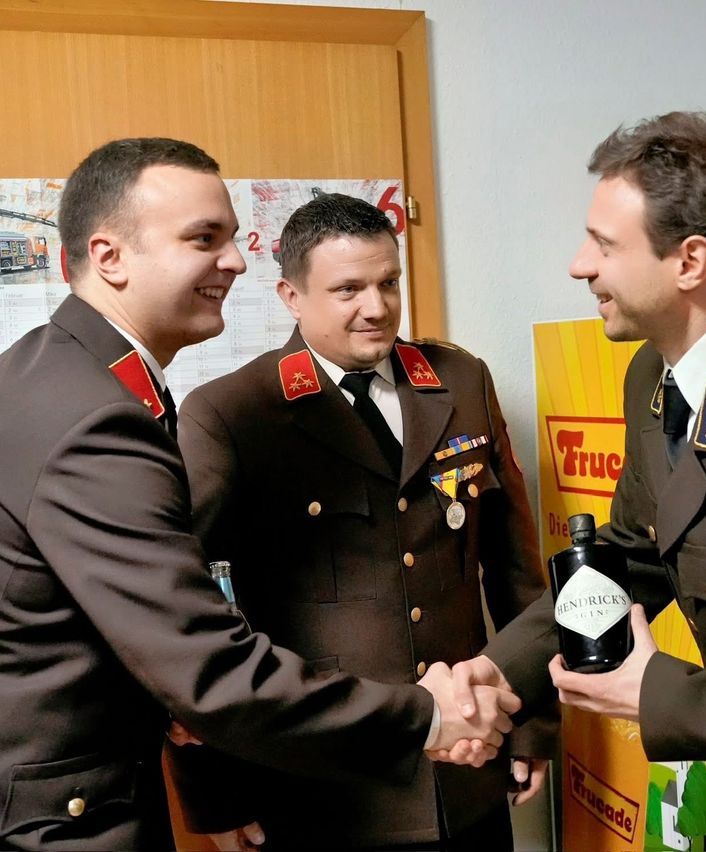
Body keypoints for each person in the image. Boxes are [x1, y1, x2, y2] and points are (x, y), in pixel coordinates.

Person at [0, 139, 519, 852]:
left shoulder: (54, 375)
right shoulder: (109, 414)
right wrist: (425, 716)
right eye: (203, 239)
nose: (236, 260)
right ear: (110, 257)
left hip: (458, 783)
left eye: (232, 238)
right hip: (116, 809)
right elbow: (203, 657)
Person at [451, 112, 706, 850]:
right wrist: (490, 672)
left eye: (604, 244)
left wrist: (658, 693)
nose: (579, 264)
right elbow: (632, 555)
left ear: (690, 262)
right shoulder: (655, 375)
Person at [169, 193, 556, 850]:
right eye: (348, 289)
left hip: (465, 769)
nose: (376, 308)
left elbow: (514, 570)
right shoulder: (232, 415)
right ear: (292, 295)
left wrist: (530, 723)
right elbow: (193, 621)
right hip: (322, 791)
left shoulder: (458, 381)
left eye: (387, 283)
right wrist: (219, 793)